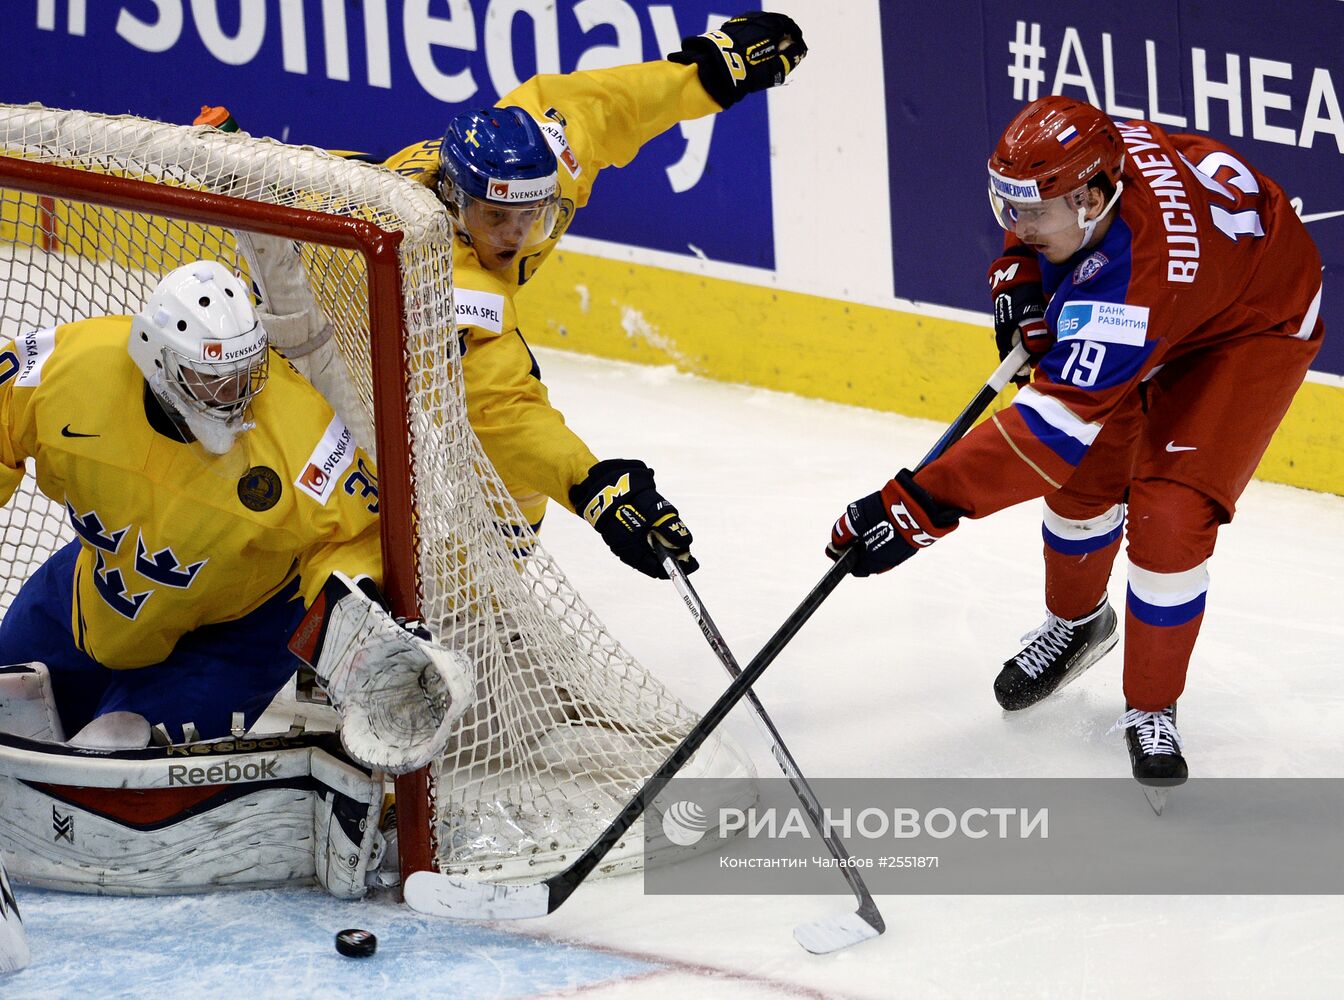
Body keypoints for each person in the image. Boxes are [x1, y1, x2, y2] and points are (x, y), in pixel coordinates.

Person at [197, 10, 806, 581]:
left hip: (344, 237)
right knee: (342, 486)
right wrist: (593, 486)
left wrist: (705, 73)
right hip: (329, 330)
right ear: (456, 207)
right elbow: (502, 409)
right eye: (497, 218)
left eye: (533, 216)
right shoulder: (448, 279)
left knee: (507, 482)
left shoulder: (541, 153)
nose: (516, 236)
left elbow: (610, 105)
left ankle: (479, 597)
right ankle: (340, 612)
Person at [825, 95, 1324, 789]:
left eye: (1031, 215)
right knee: (1086, 476)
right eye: (1008, 208)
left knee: (1169, 519)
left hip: (1251, 325)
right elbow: (1036, 208)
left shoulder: (1138, 280)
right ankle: (1079, 625)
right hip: (1180, 282)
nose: (1016, 226)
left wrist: (918, 504)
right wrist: (1020, 281)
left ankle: (1152, 706)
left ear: (1092, 199)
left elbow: (1047, 436)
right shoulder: (1082, 167)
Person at [0, 260, 468, 771]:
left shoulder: (299, 433)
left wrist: (363, 618)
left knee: (109, 752)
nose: (237, 396)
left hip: (241, 628)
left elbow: (357, 534)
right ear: (156, 360)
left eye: (246, 373)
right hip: (109, 584)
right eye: (212, 379)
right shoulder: (72, 368)